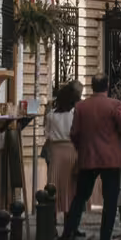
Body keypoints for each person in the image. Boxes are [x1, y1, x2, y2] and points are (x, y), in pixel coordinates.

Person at [60, 73, 121, 240]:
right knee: (110, 201)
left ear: (92, 86)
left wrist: (81, 148)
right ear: (107, 85)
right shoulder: (115, 105)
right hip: (111, 158)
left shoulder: (81, 106)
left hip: (89, 157)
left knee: (80, 196)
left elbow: (74, 133)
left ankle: (67, 233)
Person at [45, 79, 82, 225]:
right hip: (71, 151)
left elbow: (47, 134)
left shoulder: (51, 116)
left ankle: (51, 224)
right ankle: (69, 225)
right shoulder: (75, 114)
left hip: (55, 153)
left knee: (53, 186)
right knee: (70, 188)